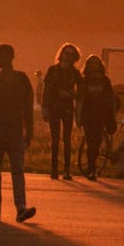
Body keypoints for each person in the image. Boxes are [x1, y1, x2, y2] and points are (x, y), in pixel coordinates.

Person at [0, 43, 37, 224]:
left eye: (2, 56)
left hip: (14, 132)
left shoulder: (22, 79)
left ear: (11, 57)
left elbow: (28, 107)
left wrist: (29, 130)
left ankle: (20, 207)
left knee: (17, 171)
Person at [42, 43, 81, 181]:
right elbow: (46, 90)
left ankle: (66, 169)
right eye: (66, 53)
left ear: (75, 57)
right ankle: (54, 169)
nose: (68, 56)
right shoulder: (52, 70)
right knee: (55, 138)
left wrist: (71, 95)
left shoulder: (75, 73)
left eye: (71, 54)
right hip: (54, 107)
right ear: (61, 55)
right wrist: (44, 107)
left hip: (67, 108)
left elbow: (81, 91)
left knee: (67, 139)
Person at [77, 54, 118, 180]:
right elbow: (80, 99)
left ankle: (93, 167)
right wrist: (78, 116)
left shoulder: (105, 80)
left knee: (96, 142)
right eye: (91, 62)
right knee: (90, 142)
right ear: (87, 66)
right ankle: (92, 167)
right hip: (87, 115)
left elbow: (110, 99)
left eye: (96, 62)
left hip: (101, 115)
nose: (94, 65)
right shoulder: (84, 80)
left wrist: (111, 115)